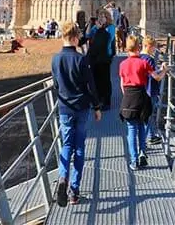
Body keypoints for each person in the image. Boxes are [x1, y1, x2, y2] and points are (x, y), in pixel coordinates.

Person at [51, 20, 102, 207]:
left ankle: (62, 176)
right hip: (81, 108)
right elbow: (91, 86)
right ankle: (74, 191)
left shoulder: (55, 59)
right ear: (73, 38)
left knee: (66, 144)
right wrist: (97, 107)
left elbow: (56, 84)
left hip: (64, 108)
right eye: (79, 37)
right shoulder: (81, 59)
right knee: (79, 148)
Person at [119, 35, 165, 171]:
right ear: (139, 47)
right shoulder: (143, 63)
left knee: (131, 130)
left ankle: (133, 160)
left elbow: (122, 85)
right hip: (142, 97)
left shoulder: (122, 64)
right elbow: (156, 77)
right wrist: (164, 70)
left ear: (127, 48)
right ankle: (142, 153)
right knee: (142, 127)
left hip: (128, 98)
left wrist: (127, 96)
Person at [84, 14, 115, 109]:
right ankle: (98, 100)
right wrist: (91, 25)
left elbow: (110, 38)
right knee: (96, 80)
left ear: (107, 18)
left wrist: (100, 28)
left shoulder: (110, 28)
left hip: (105, 57)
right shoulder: (95, 28)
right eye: (99, 17)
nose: (101, 19)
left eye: (103, 17)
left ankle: (106, 102)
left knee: (105, 80)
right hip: (95, 58)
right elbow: (87, 35)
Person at [141, 36, 164, 145]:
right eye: (153, 47)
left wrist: (159, 70)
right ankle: (147, 139)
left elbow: (150, 72)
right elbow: (156, 77)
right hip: (151, 89)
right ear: (148, 46)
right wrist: (164, 70)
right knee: (149, 115)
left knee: (146, 114)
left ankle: (151, 135)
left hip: (143, 89)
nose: (154, 49)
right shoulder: (149, 59)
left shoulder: (140, 57)